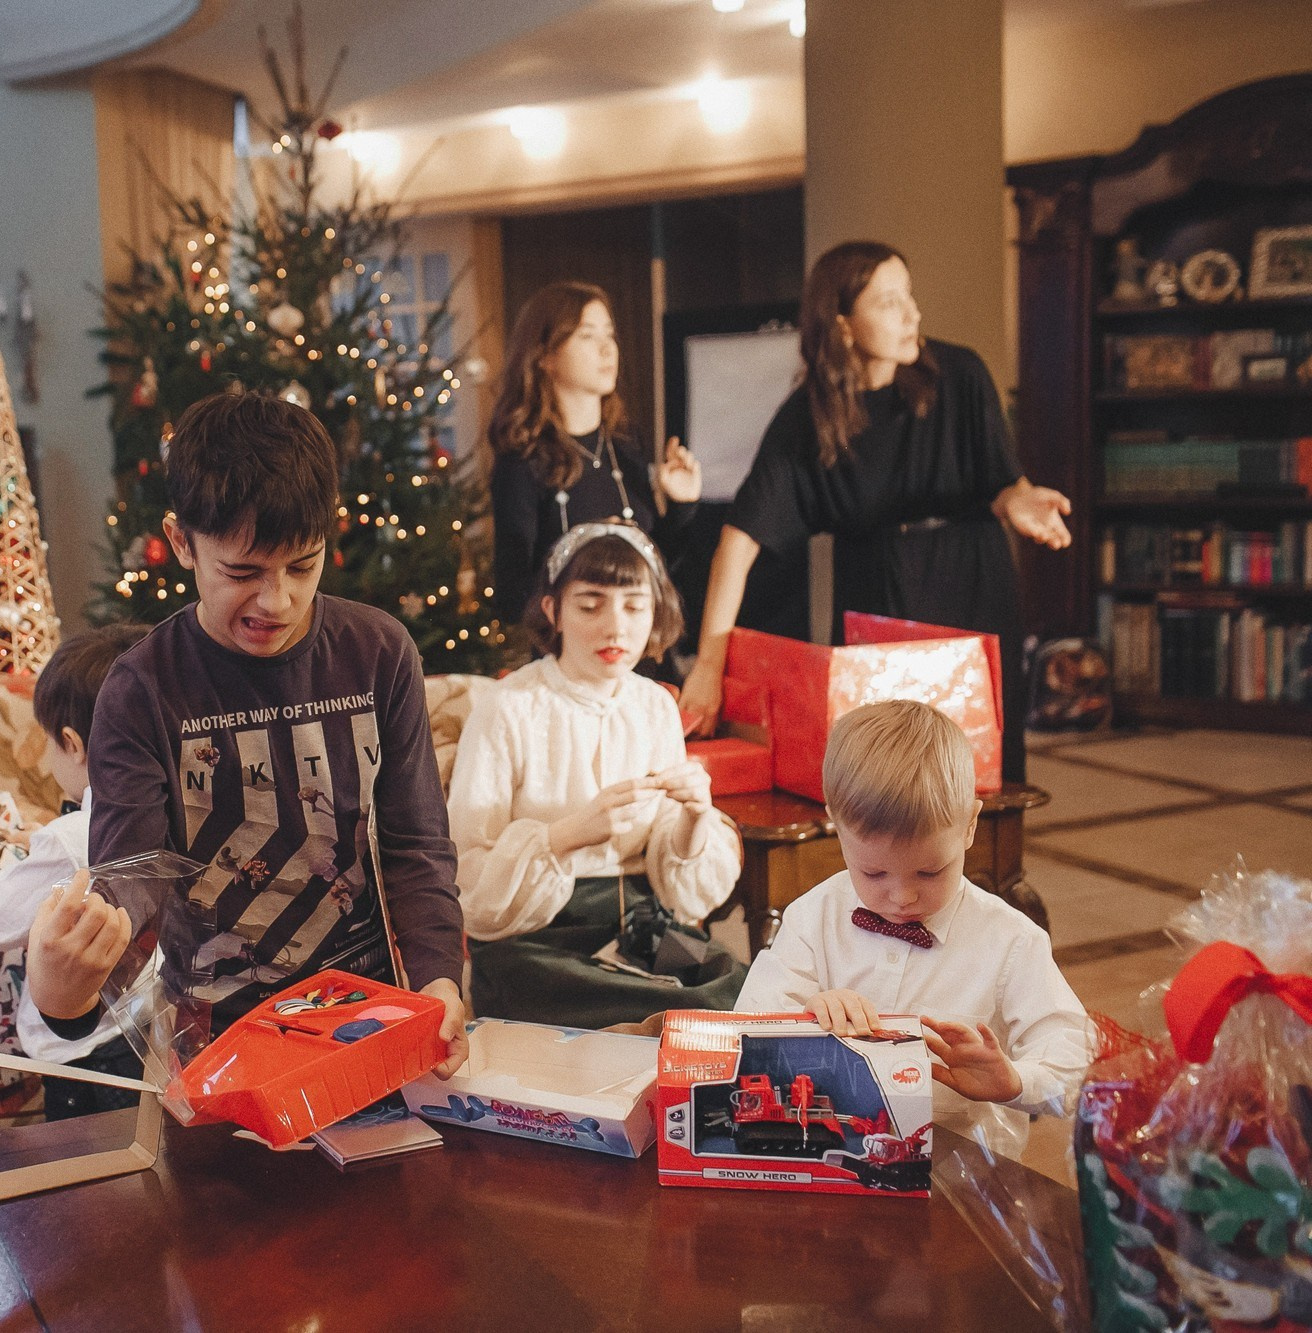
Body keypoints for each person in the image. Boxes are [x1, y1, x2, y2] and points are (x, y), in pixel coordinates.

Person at [23, 392, 468, 1076]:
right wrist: (67, 976)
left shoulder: (380, 652)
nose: (278, 600)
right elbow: (132, 878)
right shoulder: (141, 688)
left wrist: (438, 979)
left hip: (371, 1022)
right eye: (242, 572)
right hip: (215, 1048)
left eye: (303, 564)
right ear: (181, 543)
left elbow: (416, 845)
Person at [678, 242, 1072, 783]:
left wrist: (1020, 500)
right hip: (876, 595)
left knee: (985, 768)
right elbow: (737, 544)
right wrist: (707, 665)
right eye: (889, 302)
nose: (912, 315)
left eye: (909, 296)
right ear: (842, 325)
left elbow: (1003, 483)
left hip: (971, 582)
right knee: (891, 775)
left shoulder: (960, 375)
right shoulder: (807, 419)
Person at [736, 700, 1090, 1142]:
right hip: (833, 1146)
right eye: (874, 873)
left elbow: (1075, 1060)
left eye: (930, 872)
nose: (903, 897)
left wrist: (1015, 1081)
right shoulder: (814, 917)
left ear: (969, 826)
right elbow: (746, 1029)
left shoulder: (1010, 940)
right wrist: (807, 1018)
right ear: (836, 825)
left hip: (965, 1170)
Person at [448, 523, 745, 1029]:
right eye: (590, 605)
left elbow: (678, 890)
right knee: (656, 1009)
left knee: (738, 992)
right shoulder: (508, 707)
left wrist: (695, 818)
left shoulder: (653, 705)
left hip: (640, 928)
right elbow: (469, 882)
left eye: (634, 607)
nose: (616, 628)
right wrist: (566, 836)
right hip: (533, 936)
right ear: (553, 611)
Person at [0, 622, 151, 1120]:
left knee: (87, 1187)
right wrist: (43, 844)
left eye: (48, 742)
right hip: (154, 1039)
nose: (45, 764)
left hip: (87, 1055)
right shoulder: (170, 813)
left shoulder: (71, 840)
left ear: (74, 743)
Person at [488, 281, 702, 627]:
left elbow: (662, 573)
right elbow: (513, 598)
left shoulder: (626, 442)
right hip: (569, 666)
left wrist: (682, 505)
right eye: (588, 336)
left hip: (641, 658)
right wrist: (589, 547)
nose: (608, 349)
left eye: (610, 335)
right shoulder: (523, 460)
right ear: (545, 355)